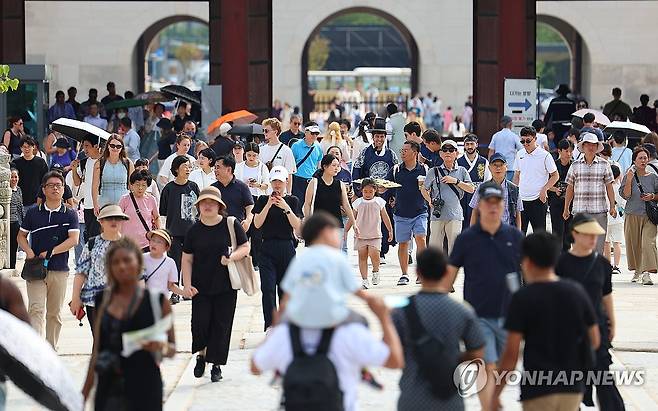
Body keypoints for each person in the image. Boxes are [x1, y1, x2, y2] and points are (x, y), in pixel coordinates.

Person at [250, 212, 404, 411]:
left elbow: (287, 296)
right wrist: (381, 313)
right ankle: (363, 369)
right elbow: (394, 360)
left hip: (300, 324)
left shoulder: (301, 260)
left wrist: (279, 322)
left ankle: (280, 371)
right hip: (336, 323)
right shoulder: (336, 258)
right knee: (361, 320)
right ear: (325, 232)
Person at [491, 231, 600, 411]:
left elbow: (511, 355)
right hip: (572, 388)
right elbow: (594, 340)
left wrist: (495, 395)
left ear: (527, 262)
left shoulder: (522, 298)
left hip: (538, 389)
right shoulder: (576, 292)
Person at [447, 181, 524, 410]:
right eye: (488, 202)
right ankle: (488, 406)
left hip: (510, 316)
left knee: (506, 367)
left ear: (503, 206)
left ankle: (493, 399)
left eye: (497, 202)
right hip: (477, 316)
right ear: (479, 205)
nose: (493, 207)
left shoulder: (515, 237)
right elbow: (449, 276)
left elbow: (531, 274)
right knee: (485, 365)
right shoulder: (467, 239)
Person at [82, 237, 176, 410]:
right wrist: (84, 394)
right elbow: (97, 350)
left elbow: (172, 349)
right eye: (115, 262)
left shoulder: (158, 302)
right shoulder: (103, 300)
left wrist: (159, 346)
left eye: (127, 260)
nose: (122, 266)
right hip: (108, 387)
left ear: (138, 263)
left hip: (145, 386)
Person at [393, 246, 485, 411]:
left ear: (417, 273)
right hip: (448, 398)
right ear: (446, 273)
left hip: (412, 398)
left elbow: (391, 355)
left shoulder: (401, 311)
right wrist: (453, 356)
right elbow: (478, 353)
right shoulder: (462, 310)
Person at [555, 214, 625, 409]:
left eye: (595, 235)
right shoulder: (561, 264)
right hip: (569, 330)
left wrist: (612, 322)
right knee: (570, 377)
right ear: (575, 234)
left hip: (598, 326)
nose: (593, 239)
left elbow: (606, 295)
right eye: (588, 234)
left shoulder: (602, 264)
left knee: (602, 374)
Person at [181, 186, 249, 382]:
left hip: (226, 285)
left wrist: (232, 257)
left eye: (212, 202)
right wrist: (186, 285)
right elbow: (186, 259)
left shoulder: (230, 224)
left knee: (221, 325)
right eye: (204, 202)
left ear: (220, 206)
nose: (208, 205)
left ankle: (216, 365)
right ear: (199, 206)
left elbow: (245, 246)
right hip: (200, 286)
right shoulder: (194, 230)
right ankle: (202, 355)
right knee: (200, 323)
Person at [17, 171, 79, 348]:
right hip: (35, 269)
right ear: (43, 190)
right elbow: (21, 236)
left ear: (63, 189)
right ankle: (37, 351)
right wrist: (28, 252)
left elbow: (73, 240)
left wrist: (51, 252)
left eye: (58, 186)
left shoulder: (70, 214)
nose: (55, 189)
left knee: (54, 313)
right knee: (36, 309)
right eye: (50, 185)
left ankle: (50, 350)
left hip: (59, 269)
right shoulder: (33, 213)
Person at [252, 166, 302, 330]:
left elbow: (298, 227)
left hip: (286, 247)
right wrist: (268, 204)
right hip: (267, 247)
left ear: (286, 182)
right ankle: (270, 324)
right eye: (274, 181)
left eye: (280, 182)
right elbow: (257, 223)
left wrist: (285, 208)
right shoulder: (261, 200)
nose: (277, 185)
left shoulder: (292, 200)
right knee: (267, 288)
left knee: (285, 289)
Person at [70, 204, 128, 332]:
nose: (113, 221)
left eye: (117, 218)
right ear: (101, 221)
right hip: (94, 302)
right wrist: (76, 298)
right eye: (109, 218)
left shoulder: (129, 246)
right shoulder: (91, 244)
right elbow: (80, 273)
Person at [563, 132, 617, 253]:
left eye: (594, 145)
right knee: (579, 245)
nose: (591, 147)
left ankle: (594, 270)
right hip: (580, 211)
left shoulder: (605, 164)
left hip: (599, 211)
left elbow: (609, 186)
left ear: (597, 147)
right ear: (583, 147)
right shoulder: (575, 165)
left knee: (598, 246)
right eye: (588, 145)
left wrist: (613, 206)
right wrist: (566, 208)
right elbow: (570, 187)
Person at [159, 155, 200, 303]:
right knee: (175, 262)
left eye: (189, 166)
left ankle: (188, 290)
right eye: (184, 166)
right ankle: (175, 292)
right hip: (173, 232)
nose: (188, 169)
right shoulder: (168, 189)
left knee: (190, 262)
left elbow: (199, 210)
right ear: (176, 169)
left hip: (191, 231)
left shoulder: (194, 186)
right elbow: (162, 212)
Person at [423, 139, 474, 254]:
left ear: (456, 153)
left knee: (454, 250)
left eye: (451, 150)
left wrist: (455, 181)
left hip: (455, 215)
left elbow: (471, 189)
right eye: (445, 150)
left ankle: (452, 271)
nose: (448, 152)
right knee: (434, 250)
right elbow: (424, 189)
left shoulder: (462, 171)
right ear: (440, 153)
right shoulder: (433, 171)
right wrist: (429, 200)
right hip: (437, 215)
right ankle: (435, 272)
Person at [620, 146, 658, 285]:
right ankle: (638, 271)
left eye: (645, 158)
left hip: (650, 216)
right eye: (640, 158)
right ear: (634, 161)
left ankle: (646, 273)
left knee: (648, 243)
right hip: (632, 214)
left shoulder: (654, 177)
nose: (643, 160)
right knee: (635, 245)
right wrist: (629, 180)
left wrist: (652, 196)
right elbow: (626, 195)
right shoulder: (628, 176)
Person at [346, 178, 392, 289]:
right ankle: (364, 279)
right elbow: (352, 217)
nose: (367, 194)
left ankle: (376, 271)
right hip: (360, 234)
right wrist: (346, 231)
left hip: (375, 234)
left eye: (370, 192)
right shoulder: (357, 202)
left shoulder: (379, 202)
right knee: (362, 257)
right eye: (365, 191)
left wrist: (390, 230)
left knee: (374, 255)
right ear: (361, 191)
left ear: (375, 190)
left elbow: (385, 217)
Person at [304, 154, 357, 247]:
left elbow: (346, 205)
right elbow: (307, 204)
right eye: (333, 165)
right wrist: (309, 223)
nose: (336, 168)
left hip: (336, 226)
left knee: (335, 256)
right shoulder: (314, 182)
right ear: (325, 166)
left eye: (338, 166)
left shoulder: (340, 184)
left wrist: (354, 224)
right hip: (318, 226)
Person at [513, 126, 559, 233]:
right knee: (519, 233)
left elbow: (555, 175)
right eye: (522, 141)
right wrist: (515, 193)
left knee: (539, 236)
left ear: (535, 139)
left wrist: (545, 189)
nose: (525, 144)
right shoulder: (519, 154)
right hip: (521, 199)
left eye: (528, 140)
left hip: (538, 200)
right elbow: (517, 175)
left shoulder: (545, 155)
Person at [469, 153, 522, 229]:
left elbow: (518, 214)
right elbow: (475, 211)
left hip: (507, 232)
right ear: (489, 167)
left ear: (506, 167)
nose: (498, 168)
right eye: (495, 165)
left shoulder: (514, 188)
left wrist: (518, 235)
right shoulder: (482, 188)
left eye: (501, 165)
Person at [92, 134, 134, 214]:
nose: (115, 148)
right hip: (104, 204)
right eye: (112, 145)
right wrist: (95, 204)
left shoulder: (128, 163)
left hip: (124, 204)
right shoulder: (99, 163)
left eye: (118, 146)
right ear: (108, 146)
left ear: (122, 148)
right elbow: (95, 186)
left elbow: (132, 186)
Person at [118, 170, 160, 251]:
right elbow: (118, 219)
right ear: (132, 184)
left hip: (146, 243)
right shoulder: (125, 199)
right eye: (137, 184)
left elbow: (156, 217)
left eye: (143, 185)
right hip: (127, 244)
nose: (140, 188)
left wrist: (159, 234)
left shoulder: (151, 199)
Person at [71, 134, 103, 239]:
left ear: (96, 146)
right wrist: (74, 169)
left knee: (99, 236)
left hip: (100, 204)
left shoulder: (104, 162)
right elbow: (77, 182)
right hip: (88, 205)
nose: (84, 149)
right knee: (89, 237)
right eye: (83, 146)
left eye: (87, 146)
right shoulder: (84, 162)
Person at [211, 155, 254, 231]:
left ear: (229, 169)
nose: (215, 170)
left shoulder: (242, 187)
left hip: (237, 229)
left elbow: (250, 207)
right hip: (216, 230)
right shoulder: (213, 188)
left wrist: (248, 221)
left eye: (218, 167)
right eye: (215, 167)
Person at [457, 133, 490, 229]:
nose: (469, 147)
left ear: (477, 144)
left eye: (472, 144)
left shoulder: (483, 161)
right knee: (463, 223)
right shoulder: (458, 162)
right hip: (462, 195)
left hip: (478, 194)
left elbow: (487, 181)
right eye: (467, 144)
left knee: (477, 222)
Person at [143, 229, 185, 298]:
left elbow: (171, 286)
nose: (154, 244)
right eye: (153, 240)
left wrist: (184, 293)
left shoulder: (170, 263)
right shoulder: (141, 258)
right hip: (145, 300)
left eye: (159, 242)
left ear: (166, 247)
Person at [548, 139, 573, 250]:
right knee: (557, 231)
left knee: (569, 231)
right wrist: (555, 189)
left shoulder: (574, 165)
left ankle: (567, 256)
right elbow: (545, 184)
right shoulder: (553, 166)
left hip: (571, 203)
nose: (569, 154)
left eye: (570, 151)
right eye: (566, 151)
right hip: (556, 202)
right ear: (559, 151)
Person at [260, 118, 296, 193]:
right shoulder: (261, 149)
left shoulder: (286, 150)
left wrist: (289, 194)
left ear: (275, 132)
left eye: (266, 130)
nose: (264, 133)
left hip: (281, 193)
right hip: (264, 192)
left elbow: (289, 175)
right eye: (263, 130)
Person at [11, 136, 49, 207]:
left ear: (33, 147)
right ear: (21, 148)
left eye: (29, 146)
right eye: (24, 147)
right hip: (20, 200)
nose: (27, 149)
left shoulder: (41, 162)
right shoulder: (16, 162)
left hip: (37, 200)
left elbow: (45, 180)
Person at [291, 122, 323, 204]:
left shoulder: (318, 146)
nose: (315, 136)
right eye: (312, 133)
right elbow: (291, 164)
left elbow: (319, 163)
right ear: (306, 132)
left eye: (317, 133)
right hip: (298, 179)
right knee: (298, 204)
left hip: (312, 179)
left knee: (311, 205)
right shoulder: (296, 146)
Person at [488, 115, 522, 180]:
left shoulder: (496, 135)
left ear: (501, 124)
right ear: (510, 124)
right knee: (509, 187)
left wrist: (491, 164)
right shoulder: (514, 136)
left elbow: (491, 151)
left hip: (498, 166)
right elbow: (521, 149)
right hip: (510, 165)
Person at [605, 164, 625, 275]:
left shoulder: (604, 188)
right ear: (618, 176)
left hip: (605, 217)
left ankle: (608, 265)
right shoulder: (619, 188)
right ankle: (616, 266)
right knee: (617, 243)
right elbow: (623, 203)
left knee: (606, 243)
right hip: (617, 219)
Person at [8, 168, 23, 271]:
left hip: (15, 222)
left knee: (14, 246)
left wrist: (24, 221)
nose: (14, 179)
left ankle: (12, 267)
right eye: (11, 177)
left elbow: (20, 207)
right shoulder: (5, 189)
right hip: (6, 222)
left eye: (15, 177)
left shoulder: (19, 190)